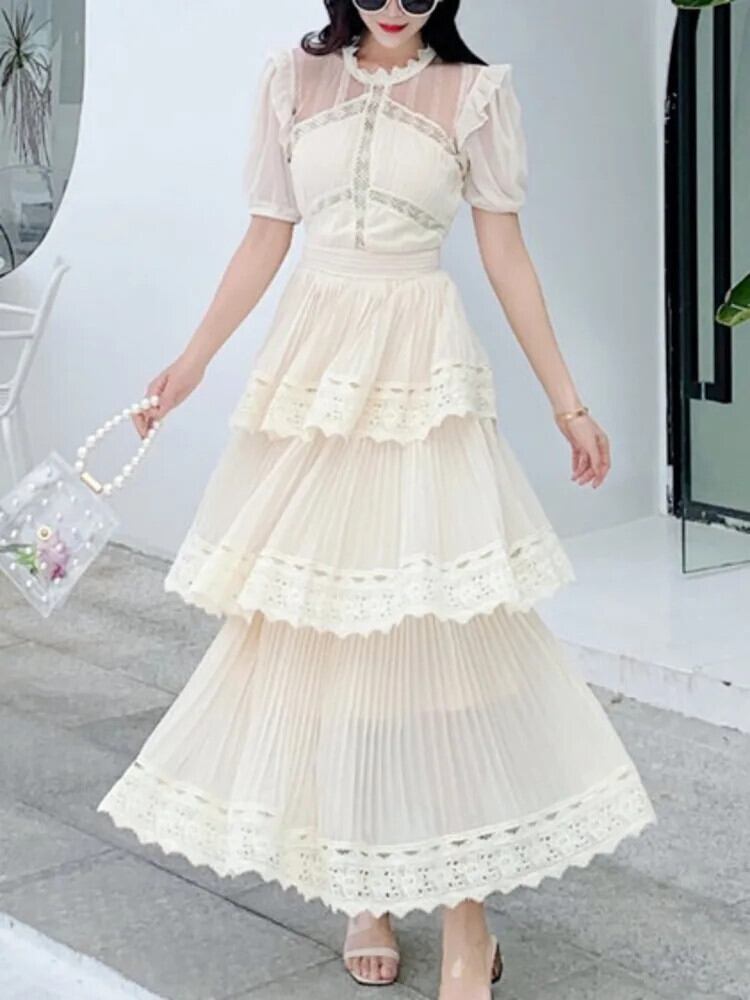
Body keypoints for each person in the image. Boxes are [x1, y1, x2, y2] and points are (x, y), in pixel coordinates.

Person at [96, 1, 658, 996]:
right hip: (314, 377)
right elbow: (265, 237)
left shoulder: (475, 94)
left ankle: (469, 921)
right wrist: (189, 365)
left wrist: (568, 403)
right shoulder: (292, 79)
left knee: (439, 646)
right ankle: (369, 884)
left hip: (419, 379)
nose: (395, 7)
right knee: (332, 639)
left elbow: (505, 254)